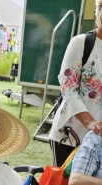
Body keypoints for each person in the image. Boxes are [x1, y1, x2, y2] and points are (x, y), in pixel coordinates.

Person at [49, 0, 102, 167]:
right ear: (97, 12)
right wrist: (90, 123)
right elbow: (68, 88)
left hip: (99, 143)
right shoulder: (81, 43)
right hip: (71, 138)